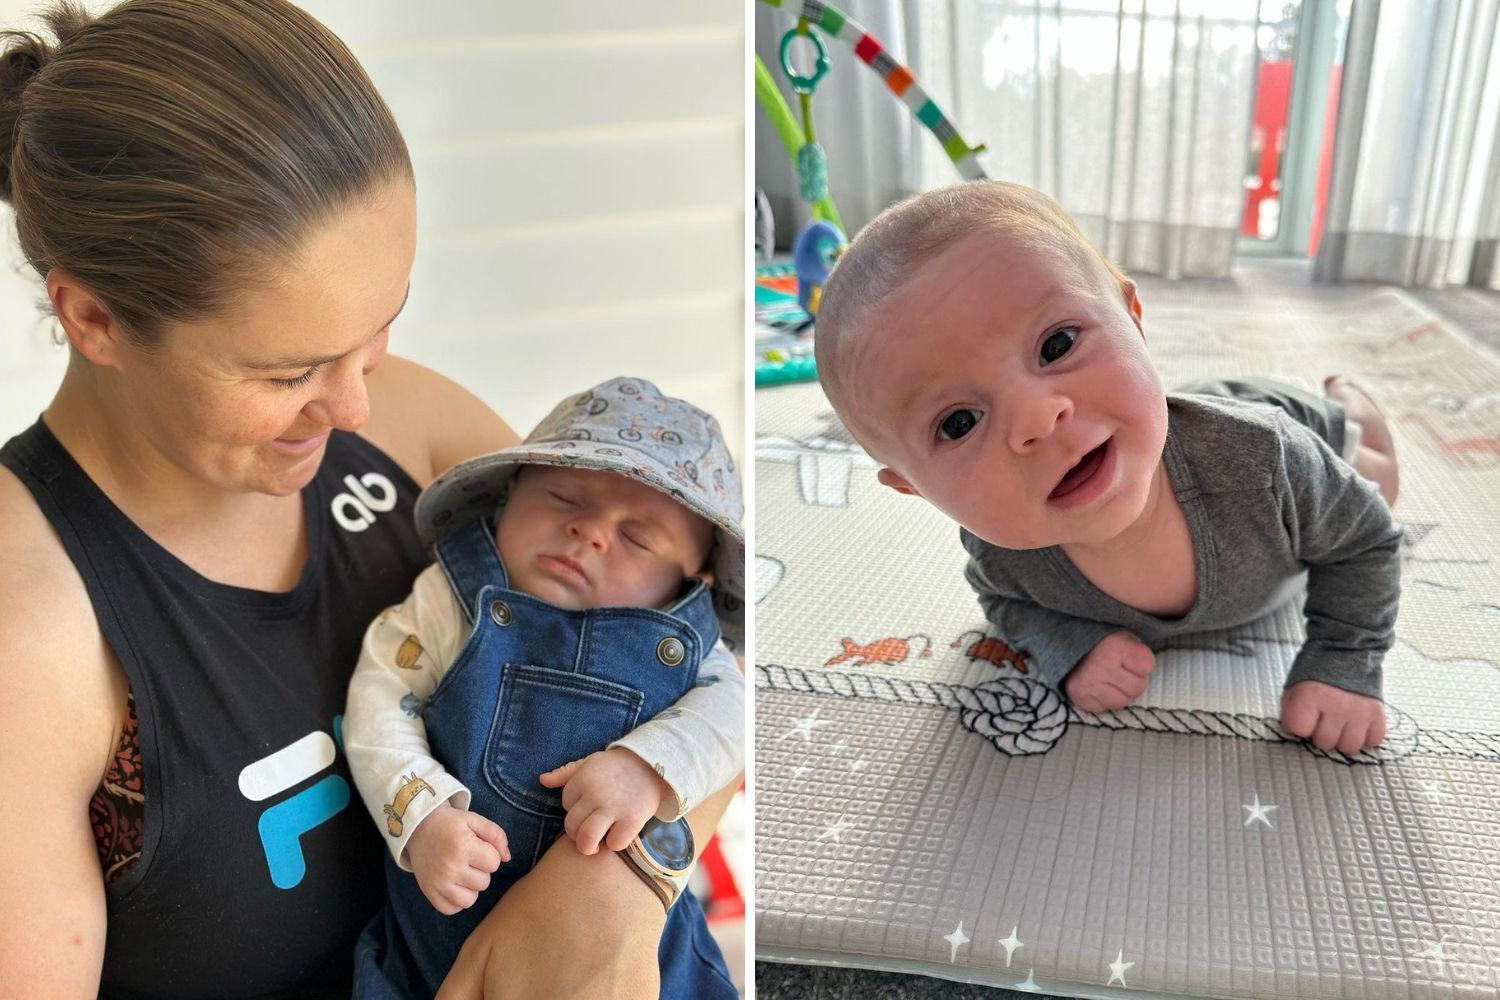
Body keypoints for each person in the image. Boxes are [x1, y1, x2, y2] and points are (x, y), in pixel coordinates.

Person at [0, 2, 737, 997]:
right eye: (288, 371)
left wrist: (620, 882)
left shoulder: (413, 428)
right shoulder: (26, 636)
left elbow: (712, 665)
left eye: (381, 328)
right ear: (92, 317)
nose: (352, 406)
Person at [812, 180, 1402, 758]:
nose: (1038, 418)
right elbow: (1006, 605)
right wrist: (1071, 646)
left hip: (1282, 415)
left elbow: (1367, 541)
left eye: (1058, 344)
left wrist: (1344, 659)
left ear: (1133, 318)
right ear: (914, 488)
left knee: (1382, 480)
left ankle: (1352, 398)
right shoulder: (1003, 555)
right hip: (1151, 423)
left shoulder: (1262, 456)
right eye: (959, 422)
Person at [345, 376, 744, 998]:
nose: (590, 532)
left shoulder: (690, 645)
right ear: (508, 496)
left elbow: (735, 719)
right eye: (562, 498)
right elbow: (379, 702)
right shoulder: (450, 600)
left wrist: (648, 768)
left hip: (633, 960)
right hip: (431, 949)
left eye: (637, 537)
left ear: (693, 577)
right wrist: (421, 816)